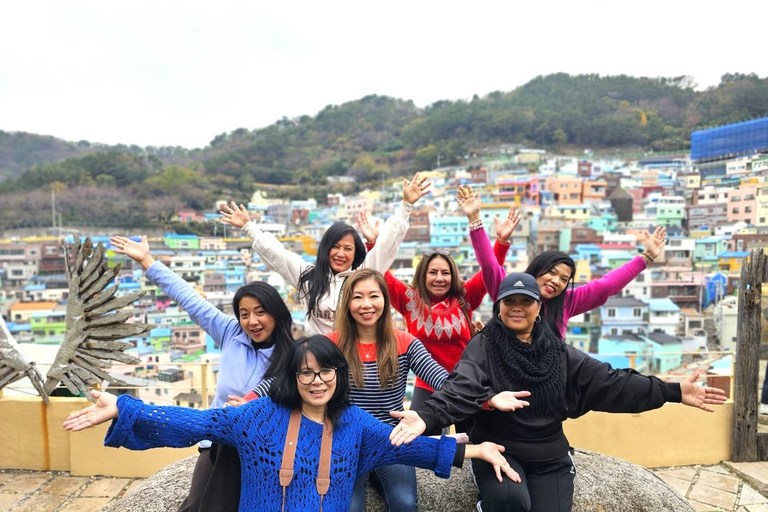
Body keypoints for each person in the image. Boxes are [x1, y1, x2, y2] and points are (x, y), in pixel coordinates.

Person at [388, 272, 727, 512]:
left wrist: (673, 391)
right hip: (500, 450)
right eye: (510, 301)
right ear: (499, 307)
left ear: (538, 307)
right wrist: (428, 416)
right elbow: (464, 385)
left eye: (526, 301)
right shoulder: (484, 345)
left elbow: (611, 382)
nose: (517, 307)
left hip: (550, 458)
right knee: (509, 502)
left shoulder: (558, 352)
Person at [63, 335, 519, 512]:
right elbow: (195, 421)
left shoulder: (355, 422)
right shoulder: (258, 417)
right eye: (306, 372)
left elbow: (404, 446)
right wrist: (126, 408)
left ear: (339, 375)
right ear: (293, 377)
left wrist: (474, 450)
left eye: (325, 371)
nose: (316, 380)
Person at [110, 235, 294, 512]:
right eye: (244, 314)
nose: (252, 321)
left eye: (260, 312)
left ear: (276, 315)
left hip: (262, 449)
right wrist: (148, 261)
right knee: (197, 504)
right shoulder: (231, 333)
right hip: (217, 442)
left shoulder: (292, 356)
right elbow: (190, 300)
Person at [251, 269, 451, 512]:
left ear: (385, 301)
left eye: (373, 296)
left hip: (392, 438)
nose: (366, 305)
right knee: (348, 507)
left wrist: (486, 397)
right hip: (344, 440)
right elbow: (285, 377)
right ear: (347, 303)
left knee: (405, 503)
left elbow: (441, 379)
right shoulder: (332, 343)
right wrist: (248, 399)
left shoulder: (405, 342)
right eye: (357, 297)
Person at [357, 185, 520, 429]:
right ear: (423, 275)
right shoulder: (409, 299)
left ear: (452, 275)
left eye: (445, 272)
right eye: (433, 272)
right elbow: (380, 275)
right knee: (418, 439)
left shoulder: (465, 296)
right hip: (426, 385)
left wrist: (501, 242)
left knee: (473, 439)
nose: (439, 278)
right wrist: (373, 244)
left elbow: (490, 269)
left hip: (467, 382)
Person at [220, 173, 431, 335]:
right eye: (335, 246)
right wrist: (248, 227)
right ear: (325, 249)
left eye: (348, 248)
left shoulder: (363, 275)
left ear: (356, 253)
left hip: (359, 360)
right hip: (322, 362)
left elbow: (387, 245)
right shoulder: (308, 277)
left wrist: (406, 206)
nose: (341, 253)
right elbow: (277, 255)